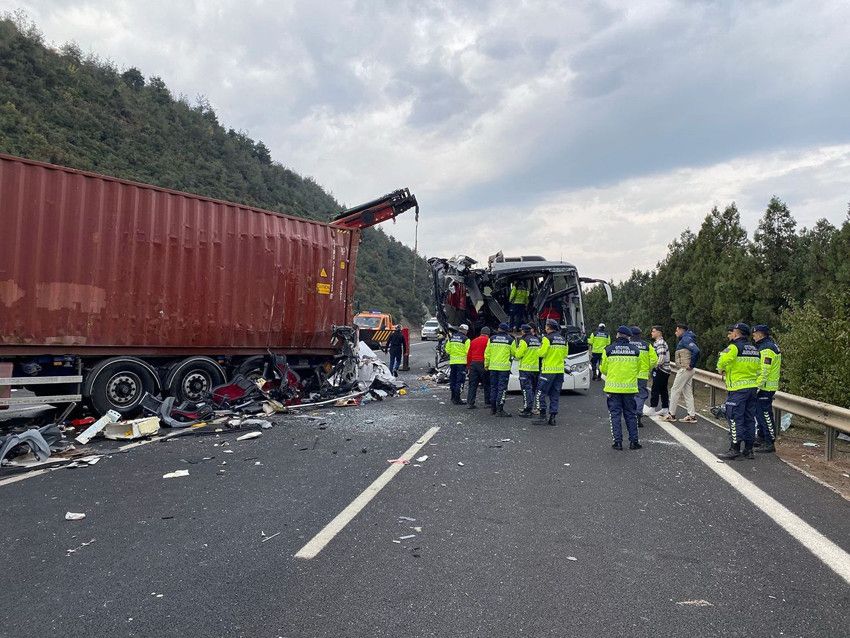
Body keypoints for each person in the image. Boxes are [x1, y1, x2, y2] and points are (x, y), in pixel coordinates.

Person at [717, 323, 761, 460]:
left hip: (737, 389)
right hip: (752, 388)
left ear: (737, 333)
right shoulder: (754, 349)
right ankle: (749, 450)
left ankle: (735, 449)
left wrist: (721, 369)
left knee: (735, 418)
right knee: (749, 419)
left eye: (732, 332)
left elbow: (722, 361)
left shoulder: (734, 347)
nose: (730, 335)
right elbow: (759, 369)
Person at [601, 326, 642, 450]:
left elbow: (604, 369)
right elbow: (638, 369)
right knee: (631, 415)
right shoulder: (636, 351)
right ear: (629, 337)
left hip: (613, 389)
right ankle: (634, 442)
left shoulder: (608, 350)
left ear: (617, 335)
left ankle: (617, 442)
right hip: (630, 389)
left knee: (615, 415)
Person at [661, 323, 700, 423]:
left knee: (675, 390)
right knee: (687, 392)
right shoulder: (688, 338)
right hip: (687, 370)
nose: (675, 333)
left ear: (681, 330)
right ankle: (691, 416)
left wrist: (691, 365)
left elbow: (696, 351)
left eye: (677, 330)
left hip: (684, 369)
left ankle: (671, 415)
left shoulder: (686, 339)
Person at [753, 324, 782, 453]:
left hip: (766, 387)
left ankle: (769, 442)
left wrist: (757, 386)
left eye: (755, 334)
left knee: (765, 414)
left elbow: (765, 370)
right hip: (765, 386)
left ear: (760, 334)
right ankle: (761, 437)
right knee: (759, 414)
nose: (753, 336)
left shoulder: (767, 348)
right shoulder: (767, 346)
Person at [533, 319, 568, 426]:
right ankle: (552, 417)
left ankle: (542, 415)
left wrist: (537, 349)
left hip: (548, 371)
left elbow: (541, 353)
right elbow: (565, 355)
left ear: (548, 327)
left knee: (540, 393)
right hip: (559, 371)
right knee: (555, 394)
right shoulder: (563, 339)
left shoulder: (547, 339)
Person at [512, 324, 542, 418]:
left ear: (523, 331)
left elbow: (518, 355)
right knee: (533, 390)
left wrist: (516, 351)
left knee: (526, 390)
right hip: (535, 368)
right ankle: (532, 408)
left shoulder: (524, 340)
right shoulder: (537, 340)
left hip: (525, 369)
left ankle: (527, 410)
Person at [485, 323, 514, 417]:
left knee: (493, 388)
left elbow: (487, 353)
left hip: (493, 367)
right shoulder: (510, 340)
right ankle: (500, 410)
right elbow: (514, 353)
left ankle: (493, 409)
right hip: (504, 368)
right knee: (502, 389)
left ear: (498, 329)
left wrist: (486, 364)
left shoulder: (492, 339)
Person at [630, 326, 657, 427]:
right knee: (640, 395)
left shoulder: (627, 345)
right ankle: (638, 414)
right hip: (642, 375)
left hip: (629, 375)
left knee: (630, 395)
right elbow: (654, 359)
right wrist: (648, 368)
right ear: (640, 334)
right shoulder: (647, 345)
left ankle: (631, 416)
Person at [466, 327, 491, 409]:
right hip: (483, 363)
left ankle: (470, 403)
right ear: (488, 334)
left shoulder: (474, 341)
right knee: (487, 384)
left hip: (473, 364)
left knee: (472, 384)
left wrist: (468, 366)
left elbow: (469, 354)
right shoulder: (489, 341)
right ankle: (487, 402)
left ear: (481, 332)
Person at [648, 325, 671, 416]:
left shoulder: (660, 343)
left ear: (659, 332)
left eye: (653, 331)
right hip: (665, 370)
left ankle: (652, 408)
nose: (652, 333)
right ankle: (665, 408)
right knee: (663, 389)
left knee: (655, 389)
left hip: (661, 369)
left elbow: (661, 357)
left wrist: (655, 366)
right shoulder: (659, 342)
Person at [445, 324, 470, 405]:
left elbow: (447, 350)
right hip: (461, 363)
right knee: (460, 381)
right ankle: (457, 399)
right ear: (465, 331)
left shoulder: (451, 338)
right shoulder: (466, 339)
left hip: (453, 362)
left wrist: (454, 353)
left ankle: (452, 397)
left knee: (453, 380)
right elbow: (468, 352)